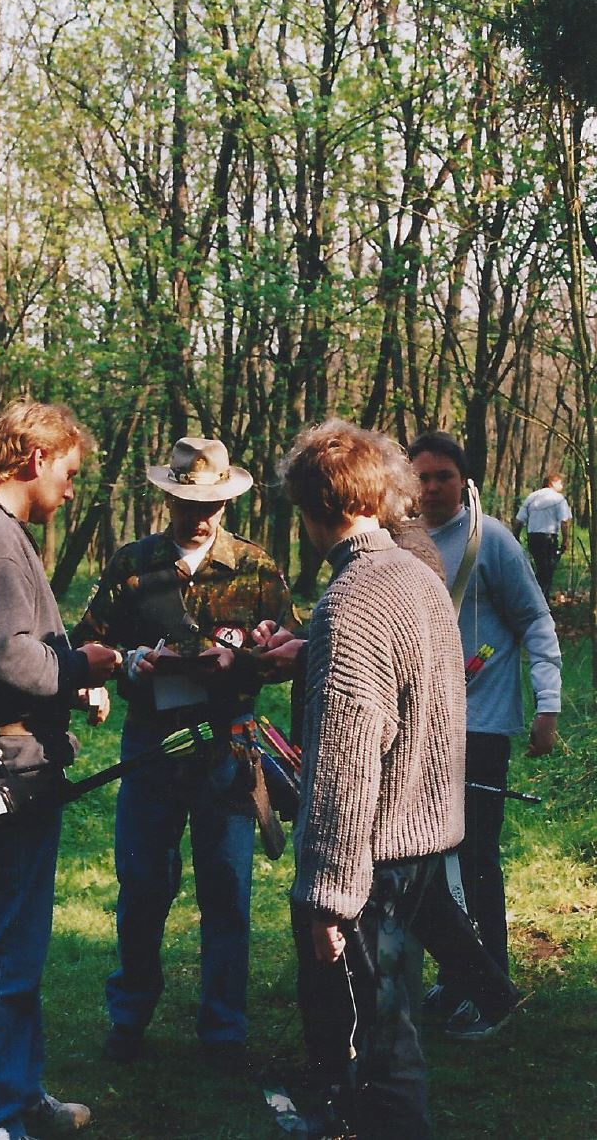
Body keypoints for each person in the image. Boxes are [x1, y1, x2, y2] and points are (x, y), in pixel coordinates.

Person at [0, 399, 121, 1140]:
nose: (70, 488)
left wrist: (70, 682)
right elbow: (6, 657)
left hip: (14, 757)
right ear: (36, 458)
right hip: (2, 766)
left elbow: (11, 653)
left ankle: (18, 1094)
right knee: (5, 950)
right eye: (68, 471)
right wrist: (81, 665)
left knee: (20, 945)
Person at [265, 419, 466, 1139]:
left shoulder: (352, 599)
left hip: (374, 863)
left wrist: (327, 898)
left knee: (381, 1047)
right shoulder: (417, 577)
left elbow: (345, 765)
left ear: (313, 507)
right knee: (390, 1027)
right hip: (422, 845)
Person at [71, 436, 295, 1067]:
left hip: (229, 744)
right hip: (152, 744)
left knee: (226, 890)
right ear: (168, 499)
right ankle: (130, 1016)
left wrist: (244, 658)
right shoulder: (133, 566)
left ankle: (224, 1031)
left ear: (227, 502)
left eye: (211, 504)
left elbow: (290, 649)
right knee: (143, 884)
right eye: (188, 503)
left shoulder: (255, 568)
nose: (200, 516)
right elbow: (89, 644)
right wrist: (130, 664)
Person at [408, 432, 562, 1038]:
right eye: (421, 477)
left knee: (474, 859)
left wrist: (547, 707)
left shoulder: (489, 538)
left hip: (482, 727)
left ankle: (491, 986)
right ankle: (458, 974)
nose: (431, 488)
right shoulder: (403, 541)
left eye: (443, 476)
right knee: (425, 859)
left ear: (464, 481)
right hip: (421, 727)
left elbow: (535, 620)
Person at [514, 473, 572, 601]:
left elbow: (519, 520)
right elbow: (564, 521)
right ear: (552, 483)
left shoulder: (532, 497)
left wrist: (515, 537)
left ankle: (540, 599)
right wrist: (566, 540)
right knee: (546, 571)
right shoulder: (558, 499)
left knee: (542, 569)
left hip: (533, 537)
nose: (562, 486)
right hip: (549, 538)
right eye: (560, 483)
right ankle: (536, 600)